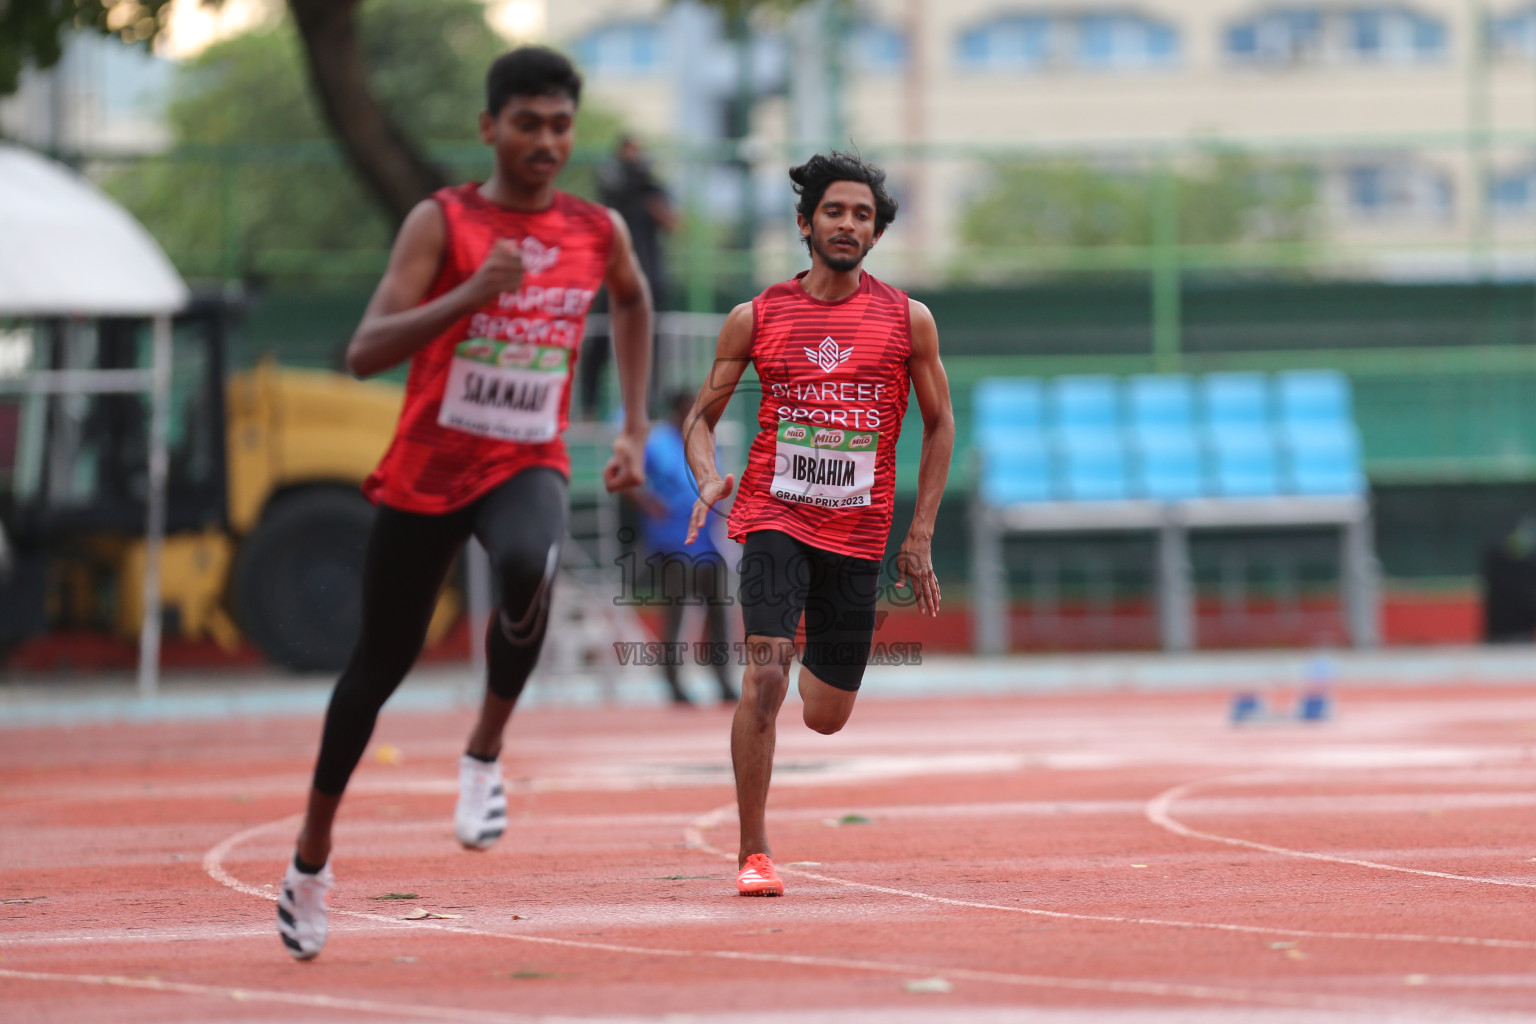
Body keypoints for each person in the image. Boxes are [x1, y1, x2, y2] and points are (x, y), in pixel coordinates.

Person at [276, 47, 652, 960]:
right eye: (528, 123)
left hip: (528, 458)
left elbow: (634, 304)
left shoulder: (597, 230)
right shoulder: (442, 223)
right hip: (429, 469)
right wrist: (469, 295)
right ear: (490, 128)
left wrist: (635, 425)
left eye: (561, 125)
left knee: (531, 561)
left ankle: (484, 753)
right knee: (378, 666)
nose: (546, 141)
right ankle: (310, 861)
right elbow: (364, 351)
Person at [681, 152, 955, 897]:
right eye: (835, 210)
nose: (848, 223)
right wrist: (708, 476)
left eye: (863, 215)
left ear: (875, 233)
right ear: (806, 223)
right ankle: (754, 851)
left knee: (827, 717)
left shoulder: (908, 320)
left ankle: (800, 684)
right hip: (774, 516)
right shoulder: (758, 316)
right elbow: (700, 419)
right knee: (764, 672)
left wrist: (920, 531)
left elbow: (938, 426)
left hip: (859, 537)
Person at [626, 390, 740, 706]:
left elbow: (719, 481)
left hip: (710, 542)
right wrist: (648, 502)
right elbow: (628, 475)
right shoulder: (656, 441)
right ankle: (674, 682)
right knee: (676, 614)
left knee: (719, 613)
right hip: (672, 541)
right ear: (677, 411)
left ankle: (723, 680)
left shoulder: (705, 439)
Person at [583, 135, 676, 416]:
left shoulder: (652, 188)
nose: (633, 159)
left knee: (652, 345)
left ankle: (647, 406)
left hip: (649, 277)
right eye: (628, 154)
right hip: (613, 276)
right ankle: (590, 405)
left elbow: (672, 221)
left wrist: (648, 189)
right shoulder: (613, 185)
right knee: (599, 342)